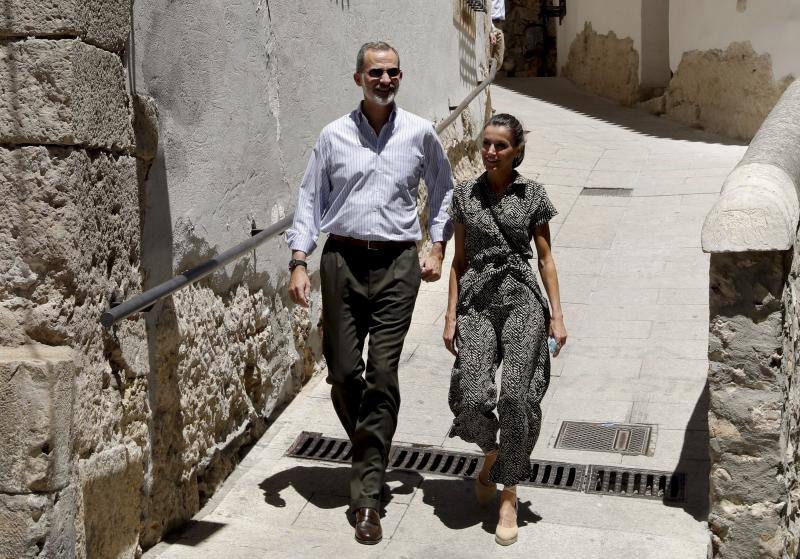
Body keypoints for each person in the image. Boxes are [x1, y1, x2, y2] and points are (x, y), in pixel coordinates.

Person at [286, 41, 454, 545]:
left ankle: (367, 496)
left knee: (382, 372)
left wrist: (437, 245)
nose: (385, 80)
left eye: (393, 72)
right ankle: (373, 450)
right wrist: (299, 260)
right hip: (342, 258)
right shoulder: (333, 135)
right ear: (358, 78)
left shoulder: (420, 132)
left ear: (400, 77)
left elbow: (444, 188)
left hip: (398, 262)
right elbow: (308, 198)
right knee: (341, 370)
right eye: (375, 73)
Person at [442, 113, 567, 546]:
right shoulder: (464, 195)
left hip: (522, 299)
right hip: (477, 298)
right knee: (472, 395)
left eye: (500, 146)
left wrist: (557, 313)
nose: (490, 152)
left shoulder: (533, 195)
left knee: (516, 395)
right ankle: (494, 456)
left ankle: (509, 494)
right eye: (486, 144)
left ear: (516, 151)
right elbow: (458, 261)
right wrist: (450, 313)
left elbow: (546, 258)